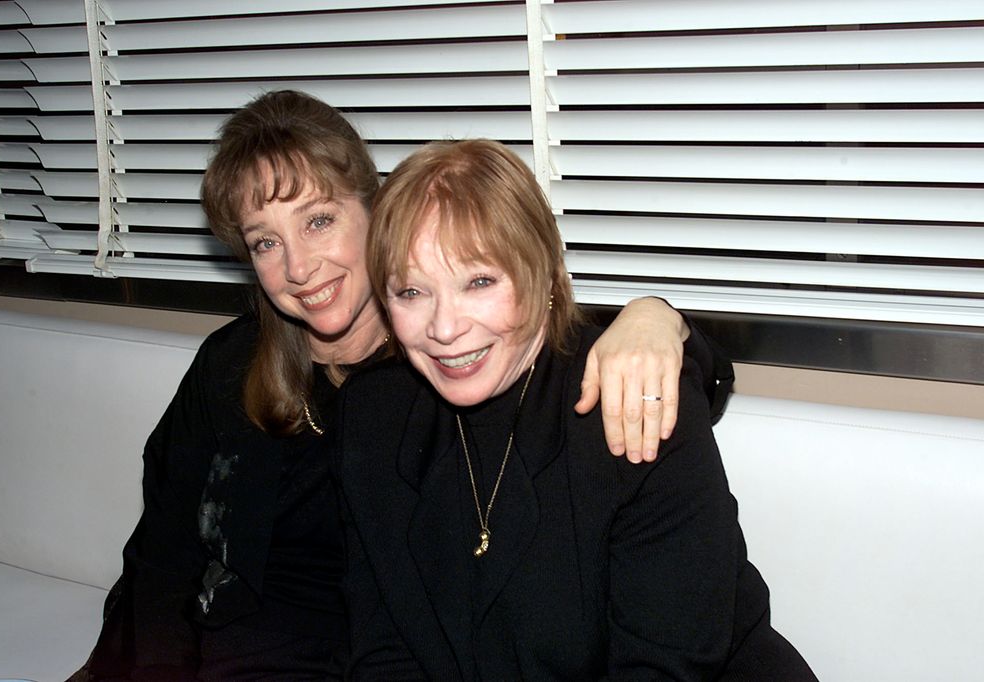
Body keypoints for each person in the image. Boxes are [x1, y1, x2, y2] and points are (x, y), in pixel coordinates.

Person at [73, 91, 716, 681]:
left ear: (372, 211)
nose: (299, 267)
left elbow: (583, 358)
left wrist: (659, 318)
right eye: (266, 242)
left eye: (318, 221)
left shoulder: (449, 371)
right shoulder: (239, 366)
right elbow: (164, 548)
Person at [338, 139, 815, 680]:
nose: (444, 329)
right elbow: (383, 648)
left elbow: (664, 668)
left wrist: (658, 314)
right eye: (411, 291)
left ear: (541, 272)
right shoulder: (373, 416)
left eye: (480, 281)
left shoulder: (634, 399)